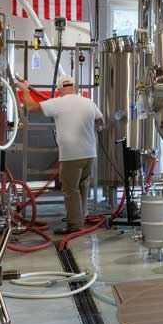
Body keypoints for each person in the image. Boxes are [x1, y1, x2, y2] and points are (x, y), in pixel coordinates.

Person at [22, 74, 104, 234]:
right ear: (74, 87)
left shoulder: (58, 103)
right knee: (82, 187)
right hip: (90, 154)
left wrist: (25, 90)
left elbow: (31, 107)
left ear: (59, 89)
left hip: (71, 155)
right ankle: (80, 219)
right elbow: (101, 121)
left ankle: (74, 225)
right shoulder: (88, 102)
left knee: (71, 190)